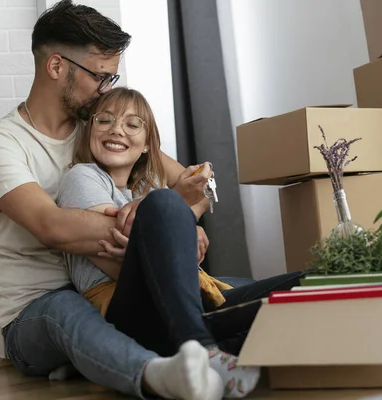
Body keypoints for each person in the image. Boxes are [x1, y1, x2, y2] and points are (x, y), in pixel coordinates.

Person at [0, 1, 305, 399]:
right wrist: (164, 227)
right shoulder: (0, 144)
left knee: (254, 289)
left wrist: (182, 224)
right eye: (100, 76)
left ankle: (182, 352)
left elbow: (196, 182)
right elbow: (51, 227)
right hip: (38, 309)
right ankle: (163, 374)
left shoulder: (101, 126)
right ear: (57, 67)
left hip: (129, 286)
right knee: (68, 311)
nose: (106, 90)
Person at [55, 86, 305, 398]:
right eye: (104, 121)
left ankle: (204, 353)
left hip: (186, 305)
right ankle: (203, 348)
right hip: (132, 313)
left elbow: (204, 176)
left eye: (132, 124)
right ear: (90, 130)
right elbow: (115, 265)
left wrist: (174, 230)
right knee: (163, 202)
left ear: (148, 146)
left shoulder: (139, 192)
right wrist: (171, 228)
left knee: (310, 283)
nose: (116, 129)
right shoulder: (83, 177)